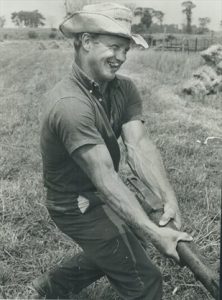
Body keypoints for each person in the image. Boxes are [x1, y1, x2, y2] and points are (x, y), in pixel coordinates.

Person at [32, 3, 192, 299]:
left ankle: (52, 287)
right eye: (115, 47)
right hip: (74, 204)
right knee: (145, 280)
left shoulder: (123, 89)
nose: (121, 57)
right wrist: (156, 233)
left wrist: (169, 200)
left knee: (127, 240)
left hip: (99, 191)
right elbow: (105, 177)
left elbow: (139, 145)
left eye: (126, 49)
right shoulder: (69, 104)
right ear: (86, 42)